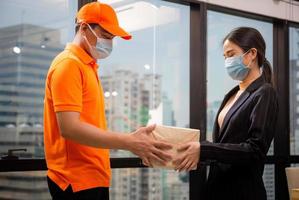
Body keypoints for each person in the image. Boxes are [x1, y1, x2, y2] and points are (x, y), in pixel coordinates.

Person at [43, 2, 172, 200]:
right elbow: (69, 128)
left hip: (92, 178)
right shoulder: (68, 65)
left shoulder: (87, 66)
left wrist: (132, 138)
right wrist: (129, 142)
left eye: (112, 38)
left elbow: (88, 124)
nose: (109, 43)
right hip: (76, 181)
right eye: (105, 36)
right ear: (84, 28)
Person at [172, 27, 279, 200]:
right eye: (225, 57)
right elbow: (224, 146)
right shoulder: (231, 95)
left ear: (252, 54)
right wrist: (194, 154)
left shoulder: (265, 92)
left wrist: (204, 149)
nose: (227, 61)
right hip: (216, 189)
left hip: (242, 192)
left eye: (231, 54)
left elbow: (255, 150)